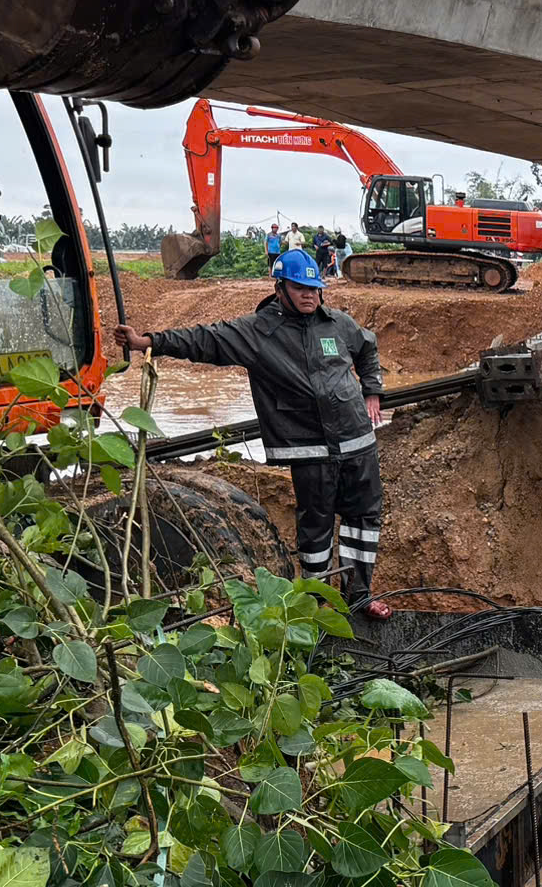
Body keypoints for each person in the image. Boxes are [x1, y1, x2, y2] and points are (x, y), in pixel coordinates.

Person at [115, 248, 395, 618]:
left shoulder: (338, 323)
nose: (310, 295)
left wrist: (372, 389)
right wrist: (147, 342)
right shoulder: (259, 332)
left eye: (315, 288)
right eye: (300, 288)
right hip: (308, 449)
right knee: (316, 528)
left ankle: (359, 596)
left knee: (364, 520)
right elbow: (205, 340)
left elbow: (368, 345)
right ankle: (317, 603)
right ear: (280, 288)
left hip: (357, 441)